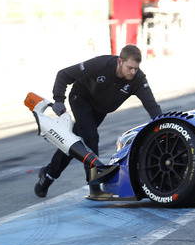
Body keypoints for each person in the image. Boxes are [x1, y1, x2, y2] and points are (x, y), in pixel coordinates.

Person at [34, 45, 162, 200]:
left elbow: (151, 105)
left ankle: (48, 176)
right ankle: (94, 187)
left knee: (76, 143)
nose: (133, 72)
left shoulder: (137, 79)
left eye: (136, 68)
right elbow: (64, 74)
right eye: (129, 68)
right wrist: (59, 100)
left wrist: (161, 124)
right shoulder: (101, 64)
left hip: (99, 109)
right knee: (90, 138)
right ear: (119, 62)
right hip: (81, 98)